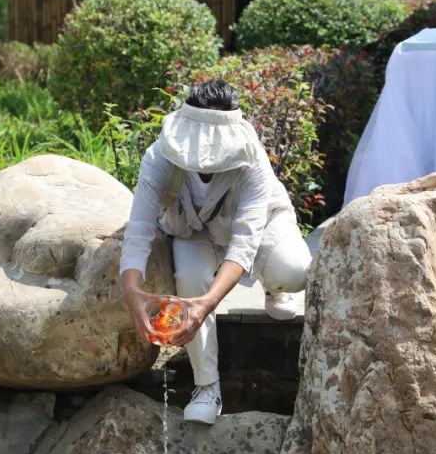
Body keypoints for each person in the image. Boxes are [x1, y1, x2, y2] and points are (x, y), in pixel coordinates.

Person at [118, 80, 312, 425]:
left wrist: (206, 305)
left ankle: (272, 287)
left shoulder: (251, 162)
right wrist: (132, 291)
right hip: (192, 230)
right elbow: (139, 229)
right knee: (190, 278)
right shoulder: (160, 157)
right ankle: (207, 386)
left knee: (293, 271)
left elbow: (245, 241)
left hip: (261, 224)